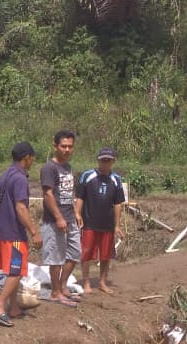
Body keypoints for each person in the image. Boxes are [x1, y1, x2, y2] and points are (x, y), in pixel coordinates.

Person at [0, 142, 42, 327]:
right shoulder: (20, 178)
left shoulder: (6, 174)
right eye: (32, 157)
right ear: (27, 157)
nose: (33, 161)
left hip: (3, 230)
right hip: (14, 233)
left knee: (12, 270)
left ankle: (14, 307)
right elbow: (20, 207)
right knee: (16, 271)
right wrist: (34, 231)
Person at [75, 147, 126, 294]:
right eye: (103, 160)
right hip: (89, 222)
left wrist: (117, 225)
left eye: (108, 160)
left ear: (113, 162)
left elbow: (118, 204)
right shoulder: (87, 176)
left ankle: (103, 282)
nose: (105, 163)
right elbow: (80, 197)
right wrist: (77, 213)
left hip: (107, 224)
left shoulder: (116, 180)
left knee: (106, 255)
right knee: (87, 253)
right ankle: (86, 282)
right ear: (98, 160)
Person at [40, 130, 82, 306]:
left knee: (75, 253)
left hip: (70, 217)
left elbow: (67, 193)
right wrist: (58, 217)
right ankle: (55, 292)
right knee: (56, 258)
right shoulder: (49, 168)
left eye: (70, 146)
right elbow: (48, 194)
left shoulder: (68, 167)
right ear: (55, 146)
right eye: (63, 146)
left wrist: (76, 213)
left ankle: (63, 286)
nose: (67, 149)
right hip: (54, 220)